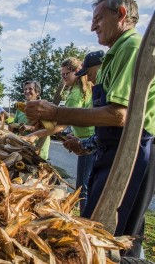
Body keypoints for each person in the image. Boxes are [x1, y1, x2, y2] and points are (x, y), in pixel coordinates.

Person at [24, 0, 155, 257]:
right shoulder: (115, 54)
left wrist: (56, 112)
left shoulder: (131, 47)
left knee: (113, 240)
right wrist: (52, 120)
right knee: (92, 225)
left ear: (120, 14)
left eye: (97, 19)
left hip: (131, 155)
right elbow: (101, 117)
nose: (92, 26)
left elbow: (119, 116)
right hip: (110, 151)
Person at [24, 58, 95, 213]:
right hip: (86, 139)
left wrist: (37, 134)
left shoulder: (76, 94)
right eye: (61, 75)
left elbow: (61, 125)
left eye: (66, 74)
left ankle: (86, 219)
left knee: (83, 188)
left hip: (87, 142)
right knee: (88, 185)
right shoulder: (82, 89)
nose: (63, 78)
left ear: (76, 72)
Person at [8, 81, 50, 160]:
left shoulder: (44, 107)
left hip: (38, 149)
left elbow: (49, 128)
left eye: (30, 89)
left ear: (37, 92)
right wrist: (13, 127)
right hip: (23, 147)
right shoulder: (20, 109)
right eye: (25, 89)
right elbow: (15, 124)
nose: (27, 91)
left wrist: (30, 127)